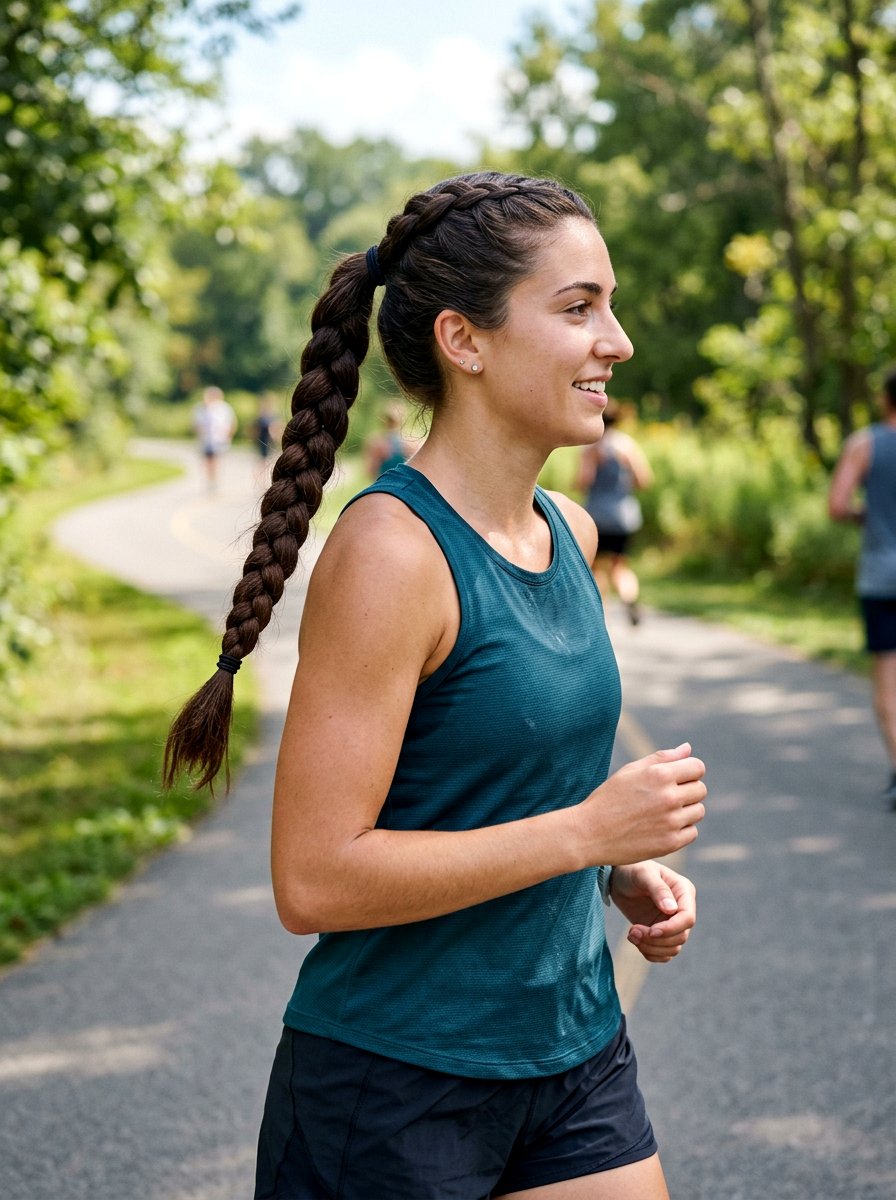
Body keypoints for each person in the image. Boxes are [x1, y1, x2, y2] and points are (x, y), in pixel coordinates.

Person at [164, 172, 707, 1199]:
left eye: (611, 304)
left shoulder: (571, 531)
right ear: (464, 341)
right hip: (394, 1088)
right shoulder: (392, 552)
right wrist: (585, 835)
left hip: (574, 1051)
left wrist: (603, 869)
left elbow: (488, 788)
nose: (617, 341)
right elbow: (315, 880)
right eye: (578, 307)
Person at [829, 364, 896, 809]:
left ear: (884, 399)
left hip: (882, 575)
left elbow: (838, 504)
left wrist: (865, 516)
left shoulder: (866, 444)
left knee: (888, 681)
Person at [578, 400, 653, 626]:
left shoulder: (591, 448)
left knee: (596, 566)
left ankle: (600, 614)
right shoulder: (627, 446)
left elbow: (583, 481)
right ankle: (629, 598)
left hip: (597, 515)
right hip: (624, 516)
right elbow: (644, 480)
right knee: (620, 564)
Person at [192, 385, 237, 491]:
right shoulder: (200, 409)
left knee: (216, 460)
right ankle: (210, 481)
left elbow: (232, 423)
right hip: (206, 440)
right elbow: (196, 424)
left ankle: (215, 481)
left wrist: (228, 436)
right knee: (207, 461)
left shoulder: (224, 408)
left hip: (219, 440)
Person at [363, 399, 418, 478]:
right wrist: (377, 459)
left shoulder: (411, 442)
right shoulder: (377, 442)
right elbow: (369, 471)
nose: (392, 424)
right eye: (390, 420)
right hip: (385, 482)